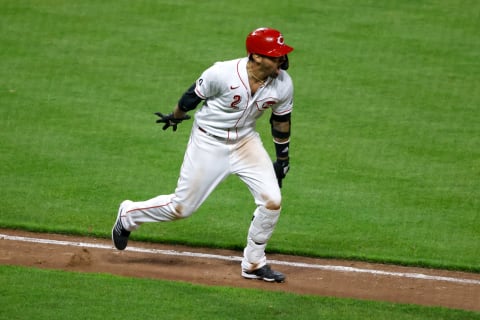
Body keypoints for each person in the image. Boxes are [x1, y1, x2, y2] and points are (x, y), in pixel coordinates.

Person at [112, 27, 294, 283]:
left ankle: (253, 263)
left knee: (272, 201)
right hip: (208, 142)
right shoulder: (222, 73)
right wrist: (175, 116)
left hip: (246, 142)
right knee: (181, 208)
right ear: (256, 57)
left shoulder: (283, 83)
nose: (281, 60)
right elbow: (192, 96)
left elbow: (281, 120)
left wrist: (282, 158)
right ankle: (129, 214)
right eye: (275, 55)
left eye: (281, 55)